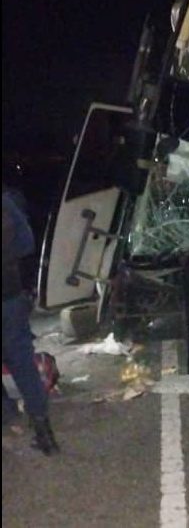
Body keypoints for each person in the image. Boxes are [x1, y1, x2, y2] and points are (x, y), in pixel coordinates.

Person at [2, 185, 59, 455]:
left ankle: (7, 415)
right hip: (9, 294)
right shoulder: (6, 202)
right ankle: (43, 430)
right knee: (22, 361)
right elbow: (27, 244)